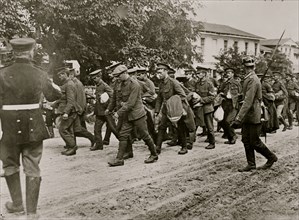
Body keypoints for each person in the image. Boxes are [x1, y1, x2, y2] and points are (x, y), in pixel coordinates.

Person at [0, 38, 61, 217]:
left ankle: (17, 205)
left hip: (9, 127)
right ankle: (32, 213)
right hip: (34, 126)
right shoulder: (40, 74)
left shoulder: (2, 74)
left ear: (13, 52)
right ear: (31, 51)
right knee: (32, 165)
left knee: (10, 164)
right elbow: (53, 95)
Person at [231, 57, 277, 172]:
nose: (248, 69)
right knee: (246, 140)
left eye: (249, 67)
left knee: (255, 141)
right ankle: (251, 164)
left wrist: (238, 118)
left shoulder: (252, 79)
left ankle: (271, 157)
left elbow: (248, 100)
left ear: (252, 67)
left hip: (253, 114)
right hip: (248, 114)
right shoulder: (249, 79)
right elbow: (245, 97)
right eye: (247, 67)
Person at [107, 65, 158, 166]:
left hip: (137, 115)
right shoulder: (119, 83)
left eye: (118, 76)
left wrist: (118, 113)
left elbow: (130, 104)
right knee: (123, 135)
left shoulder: (134, 84)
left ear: (125, 73)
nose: (117, 78)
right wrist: (109, 109)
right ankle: (119, 159)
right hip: (127, 115)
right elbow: (115, 98)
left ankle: (154, 154)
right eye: (116, 76)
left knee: (145, 135)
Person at [155, 63, 192, 155]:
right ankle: (157, 148)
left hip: (175, 109)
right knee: (161, 127)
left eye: (160, 72)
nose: (158, 75)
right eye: (157, 72)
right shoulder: (161, 84)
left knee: (180, 127)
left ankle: (184, 147)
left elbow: (182, 96)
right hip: (165, 109)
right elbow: (159, 98)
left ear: (165, 71)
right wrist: (156, 111)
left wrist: (178, 108)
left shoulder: (173, 82)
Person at [90, 69, 118, 150]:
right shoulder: (98, 85)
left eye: (95, 78)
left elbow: (113, 96)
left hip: (106, 112)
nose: (94, 80)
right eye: (93, 79)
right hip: (100, 112)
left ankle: (125, 143)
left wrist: (109, 108)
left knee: (114, 129)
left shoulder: (104, 85)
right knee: (96, 129)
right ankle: (99, 145)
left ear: (99, 77)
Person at [194, 67, 216, 149]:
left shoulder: (209, 84)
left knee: (209, 126)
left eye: (199, 73)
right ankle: (191, 140)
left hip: (207, 108)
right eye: (197, 73)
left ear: (204, 74)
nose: (198, 75)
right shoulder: (197, 84)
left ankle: (212, 143)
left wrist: (201, 100)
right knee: (196, 124)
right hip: (199, 107)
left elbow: (212, 97)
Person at [218, 67, 242, 144]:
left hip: (234, 104)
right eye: (227, 73)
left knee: (228, 121)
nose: (227, 74)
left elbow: (241, 93)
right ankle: (230, 137)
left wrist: (238, 97)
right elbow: (220, 90)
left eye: (229, 73)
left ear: (232, 74)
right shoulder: (225, 83)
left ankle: (233, 136)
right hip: (226, 103)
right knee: (222, 121)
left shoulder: (236, 82)